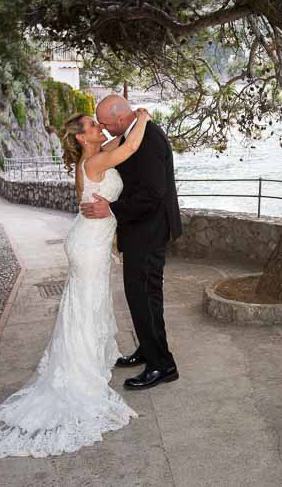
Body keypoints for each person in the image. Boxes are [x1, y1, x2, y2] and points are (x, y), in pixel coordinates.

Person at [0, 108, 152, 458]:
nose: (99, 127)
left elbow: (120, 139)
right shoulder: (93, 164)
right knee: (86, 305)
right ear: (81, 137)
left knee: (86, 303)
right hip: (89, 244)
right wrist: (145, 116)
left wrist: (124, 119)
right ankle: (79, 372)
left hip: (90, 239)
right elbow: (131, 147)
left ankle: (88, 361)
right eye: (93, 125)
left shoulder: (94, 157)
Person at [81, 95, 183, 390]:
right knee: (142, 297)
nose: (103, 127)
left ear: (123, 119)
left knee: (144, 297)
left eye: (107, 123)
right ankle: (148, 349)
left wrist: (111, 209)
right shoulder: (133, 133)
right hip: (140, 229)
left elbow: (152, 193)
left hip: (149, 232)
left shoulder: (148, 138)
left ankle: (162, 365)